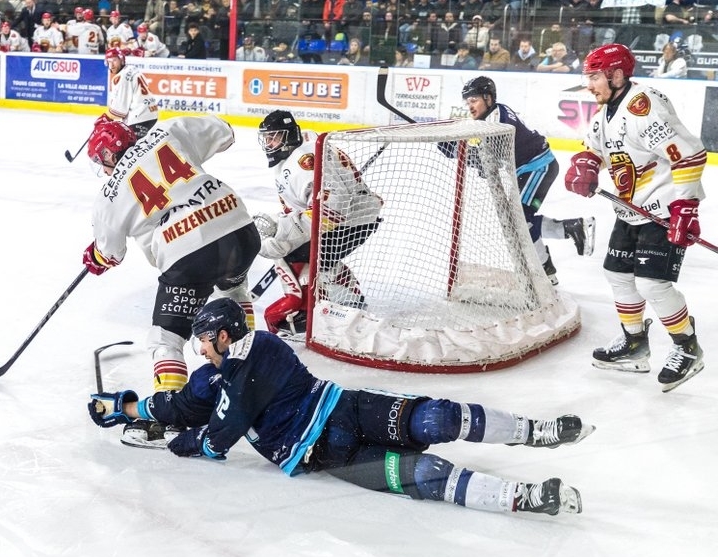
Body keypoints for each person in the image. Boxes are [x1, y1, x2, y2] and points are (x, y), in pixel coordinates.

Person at [88, 297, 594, 517]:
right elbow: (183, 404)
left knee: (436, 416)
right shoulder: (213, 374)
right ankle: (522, 496)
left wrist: (191, 442)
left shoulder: (262, 349)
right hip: (324, 456)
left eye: (201, 340)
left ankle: (536, 429)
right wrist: (131, 409)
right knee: (427, 475)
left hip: (344, 410)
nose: (197, 348)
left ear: (221, 336)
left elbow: (223, 431)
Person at [83, 118, 261, 445]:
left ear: (108, 156)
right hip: (239, 228)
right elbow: (225, 133)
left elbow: (109, 254)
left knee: (166, 338)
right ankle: (253, 369)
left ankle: (173, 417)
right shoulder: (168, 131)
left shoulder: (109, 195)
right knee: (233, 289)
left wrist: (94, 256)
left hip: (188, 253)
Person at [564, 43, 705, 392]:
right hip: (631, 210)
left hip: (663, 209)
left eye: (595, 76)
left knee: (653, 284)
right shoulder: (605, 112)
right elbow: (594, 147)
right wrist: (586, 163)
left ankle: (688, 349)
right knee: (617, 274)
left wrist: (685, 207)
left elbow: (688, 155)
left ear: (617, 74)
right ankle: (635, 345)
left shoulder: (643, 106)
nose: (590, 84)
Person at [253, 110, 382, 335]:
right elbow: (303, 207)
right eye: (267, 137)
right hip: (355, 217)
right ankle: (349, 298)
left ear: (290, 135)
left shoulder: (302, 161)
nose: (269, 143)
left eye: (275, 137)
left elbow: (334, 207)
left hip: (349, 222)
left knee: (293, 254)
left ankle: (303, 307)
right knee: (313, 255)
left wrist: (288, 235)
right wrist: (287, 227)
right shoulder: (302, 152)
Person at [460, 77, 596, 284]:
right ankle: (570, 231)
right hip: (529, 169)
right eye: (467, 102)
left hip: (538, 167)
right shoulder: (493, 115)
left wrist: (458, 151)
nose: (470, 107)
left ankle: (546, 267)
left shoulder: (497, 121)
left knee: (520, 219)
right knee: (520, 220)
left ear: (488, 98)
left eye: (474, 101)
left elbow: (488, 161)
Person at [104, 47, 159, 139]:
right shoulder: (132, 69)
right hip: (151, 115)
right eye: (109, 62)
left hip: (139, 119)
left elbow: (120, 111)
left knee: (127, 149)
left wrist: (106, 117)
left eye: (114, 61)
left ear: (121, 60)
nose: (111, 65)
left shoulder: (121, 78)